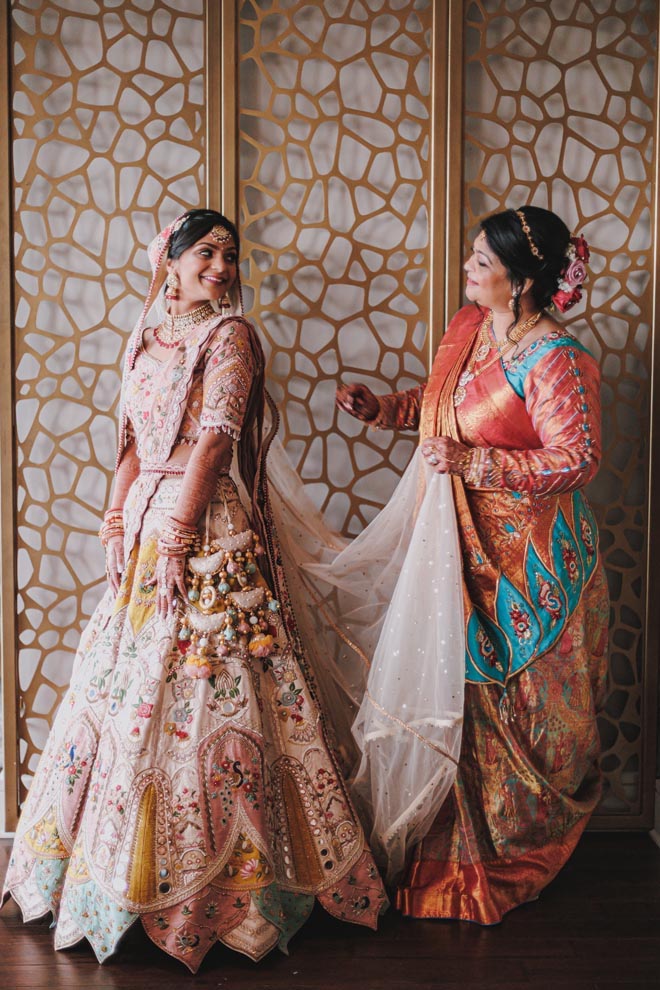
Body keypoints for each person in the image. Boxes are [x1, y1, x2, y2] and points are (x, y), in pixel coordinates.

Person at [2, 209, 387, 971]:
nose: (221, 267)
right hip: (148, 523)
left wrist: (179, 535)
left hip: (205, 524)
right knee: (126, 688)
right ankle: (114, 876)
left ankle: (231, 892)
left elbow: (213, 439)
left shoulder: (230, 337)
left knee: (216, 684)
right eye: (207, 253)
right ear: (169, 261)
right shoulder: (144, 337)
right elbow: (128, 444)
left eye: (230, 256)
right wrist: (117, 524)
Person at [335, 205, 609, 924]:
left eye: (481, 263)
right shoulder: (467, 328)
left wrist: (475, 463)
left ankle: (501, 859)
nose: (467, 270)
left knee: (515, 712)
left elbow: (577, 460)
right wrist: (383, 410)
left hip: (530, 571)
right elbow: (440, 411)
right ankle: (446, 856)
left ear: (521, 282)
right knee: (449, 694)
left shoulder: (558, 360)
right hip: (451, 551)